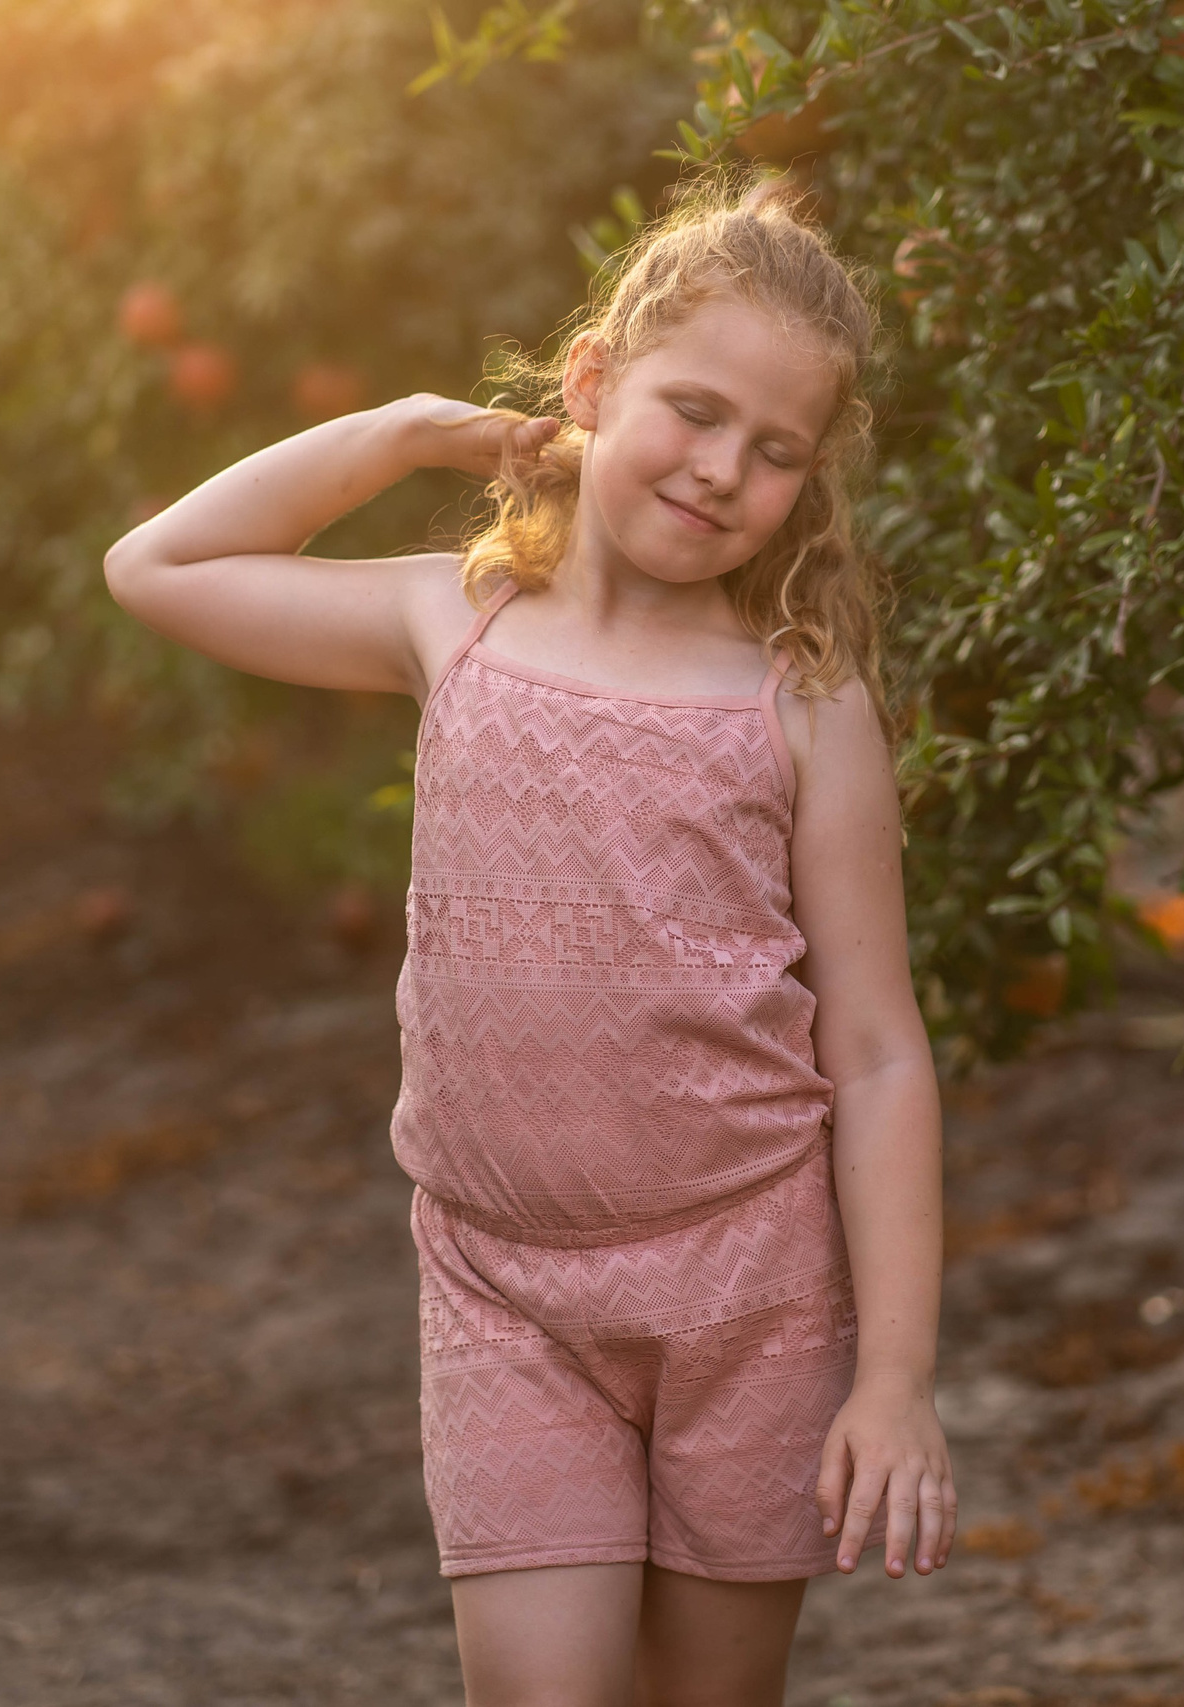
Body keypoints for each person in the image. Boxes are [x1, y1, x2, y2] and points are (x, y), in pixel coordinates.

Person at [102, 175, 952, 1707]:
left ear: (809, 483)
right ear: (592, 386)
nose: (719, 472)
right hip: (504, 1290)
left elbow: (880, 1050)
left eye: (775, 453)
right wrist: (411, 435)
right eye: (690, 412)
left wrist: (893, 1383)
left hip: (751, 1294)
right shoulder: (458, 621)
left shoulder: (805, 705)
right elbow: (156, 568)